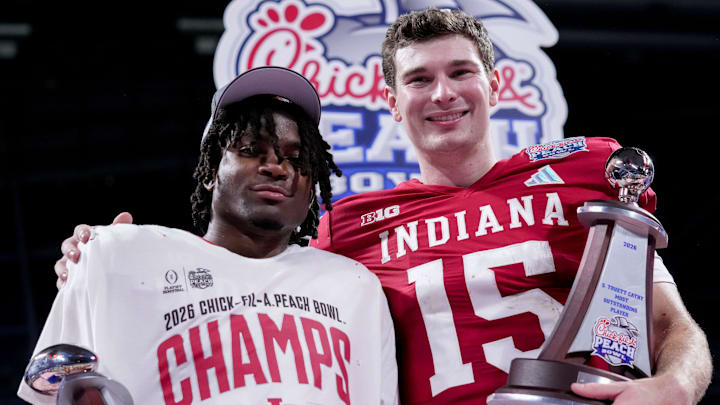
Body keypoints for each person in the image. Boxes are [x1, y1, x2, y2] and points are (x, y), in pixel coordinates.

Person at [54, 8, 712, 405]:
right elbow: (240, 287)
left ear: (495, 83)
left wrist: (678, 382)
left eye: (460, 72)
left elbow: (666, 320)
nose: (443, 93)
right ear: (393, 103)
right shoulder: (345, 228)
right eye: (419, 79)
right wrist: (114, 267)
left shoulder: (581, 174)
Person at [21, 66, 398, 405]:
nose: (277, 167)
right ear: (210, 171)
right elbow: (56, 392)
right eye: (252, 149)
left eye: (297, 159)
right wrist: (97, 259)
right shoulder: (122, 254)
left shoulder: (356, 286)